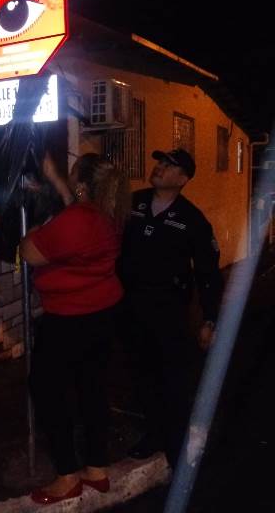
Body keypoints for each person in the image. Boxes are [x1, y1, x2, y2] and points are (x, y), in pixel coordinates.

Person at [20, 153, 130, 504]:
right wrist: (56, 180)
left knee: (48, 391)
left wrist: (33, 231)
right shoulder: (107, 212)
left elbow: (30, 253)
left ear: (82, 185)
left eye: (72, 173)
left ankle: (67, 475)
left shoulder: (77, 221)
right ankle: (96, 469)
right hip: (102, 313)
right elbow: (75, 210)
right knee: (92, 388)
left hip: (70, 319)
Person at [120, 148, 223, 468]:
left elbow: (208, 273)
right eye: (160, 162)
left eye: (169, 165)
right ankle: (153, 434)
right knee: (142, 375)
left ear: (183, 178)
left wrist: (210, 318)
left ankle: (177, 447)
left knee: (172, 379)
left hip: (168, 312)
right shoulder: (133, 203)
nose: (159, 168)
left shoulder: (192, 219)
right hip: (130, 307)